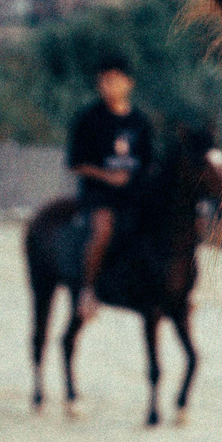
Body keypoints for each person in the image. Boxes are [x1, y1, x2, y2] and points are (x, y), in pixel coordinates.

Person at [65, 54, 154, 320]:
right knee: (103, 230)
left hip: (133, 193)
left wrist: (136, 178)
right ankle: (88, 290)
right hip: (98, 194)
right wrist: (107, 176)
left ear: (129, 83)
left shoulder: (139, 121)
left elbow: (149, 162)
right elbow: (76, 163)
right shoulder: (89, 118)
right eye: (104, 81)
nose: (109, 86)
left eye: (115, 80)